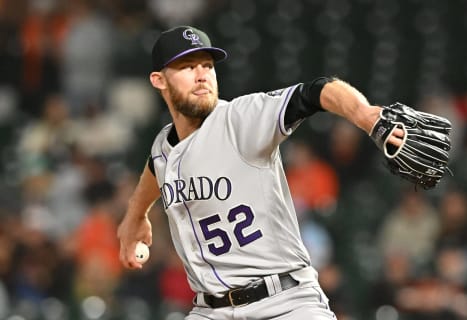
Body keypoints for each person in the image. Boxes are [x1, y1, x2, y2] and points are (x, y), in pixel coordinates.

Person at [117, 25, 405, 319]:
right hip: (210, 310)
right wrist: (135, 215)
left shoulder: (240, 119)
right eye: (187, 67)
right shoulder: (162, 145)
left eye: (207, 65)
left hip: (284, 302)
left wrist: (365, 114)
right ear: (159, 80)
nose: (202, 74)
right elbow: (157, 167)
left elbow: (315, 91)